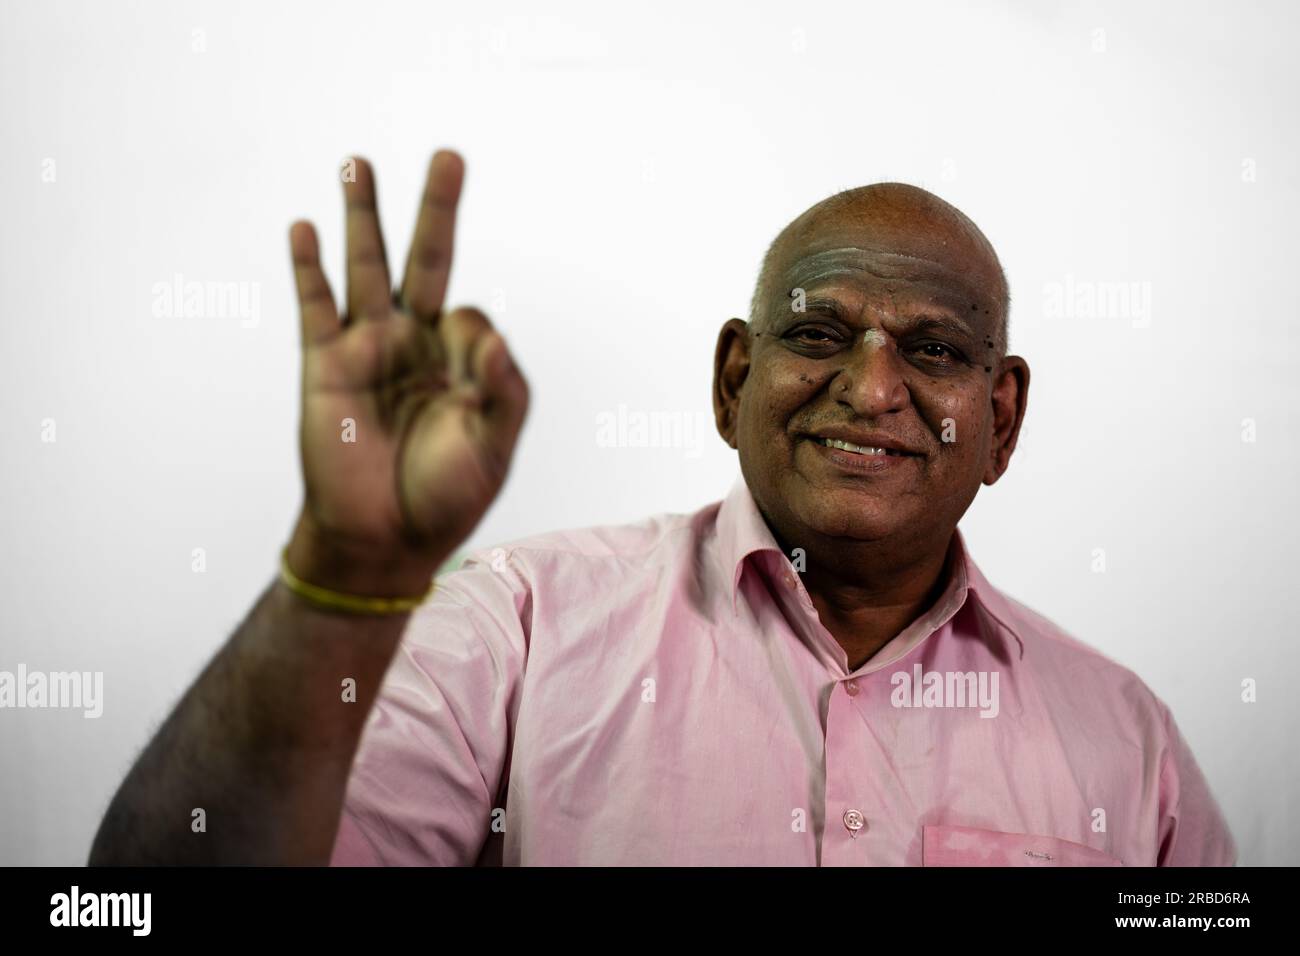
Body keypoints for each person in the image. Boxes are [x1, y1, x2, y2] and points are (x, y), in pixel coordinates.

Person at [89, 150, 1236, 866]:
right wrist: (336, 566)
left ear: (1002, 414)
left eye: (931, 348)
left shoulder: (1128, 746)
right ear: (734, 380)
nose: (873, 386)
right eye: (818, 333)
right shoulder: (516, 626)